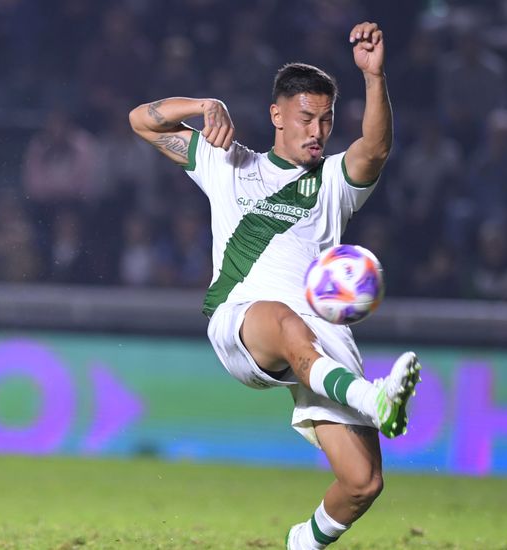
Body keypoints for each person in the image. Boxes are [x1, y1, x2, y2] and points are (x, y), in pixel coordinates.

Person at [129, 22, 421, 549]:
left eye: (327, 120)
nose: (318, 131)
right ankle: (372, 399)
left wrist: (374, 77)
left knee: (362, 484)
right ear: (277, 115)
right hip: (244, 320)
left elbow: (374, 150)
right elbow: (141, 122)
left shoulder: (332, 182)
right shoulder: (230, 163)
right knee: (282, 319)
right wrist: (204, 104)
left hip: (320, 336)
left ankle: (301, 543)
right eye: (307, 117)